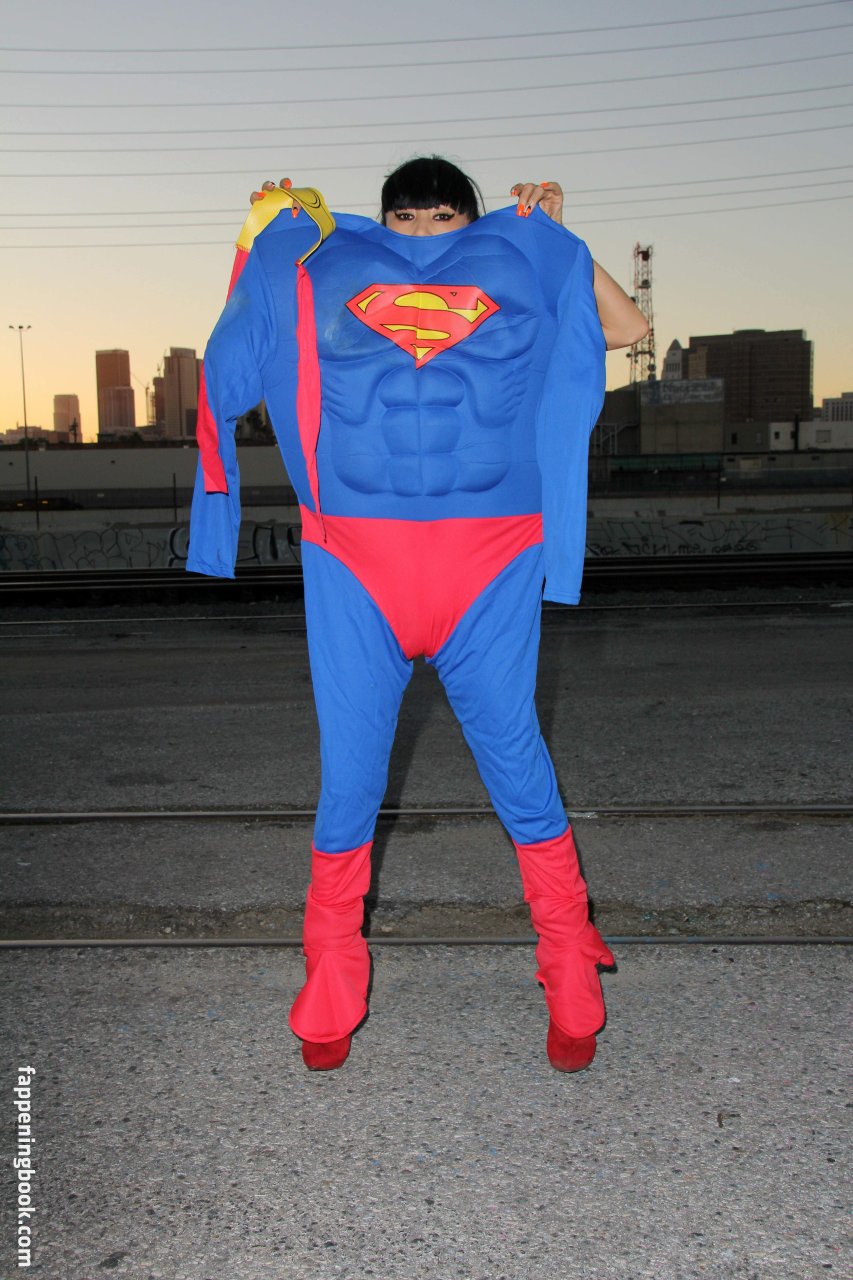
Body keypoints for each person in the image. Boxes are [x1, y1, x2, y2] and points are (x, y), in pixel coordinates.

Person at [188, 156, 648, 1074]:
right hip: (354, 562)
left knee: (517, 762)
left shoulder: (519, 261)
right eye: (406, 216)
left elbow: (625, 328)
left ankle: (569, 965)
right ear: (383, 218)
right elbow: (231, 366)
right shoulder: (312, 260)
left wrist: (556, 238)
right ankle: (331, 979)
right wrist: (268, 241)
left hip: (491, 559)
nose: (425, 231)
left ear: (474, 220)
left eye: (445, 216)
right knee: (350, 779)